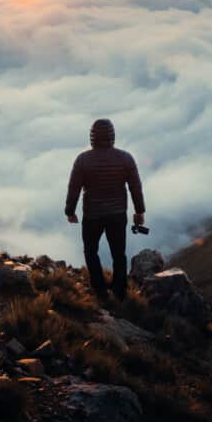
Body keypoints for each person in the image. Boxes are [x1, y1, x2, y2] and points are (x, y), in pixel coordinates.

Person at [65, 118, 145, 302]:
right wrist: (139, 211)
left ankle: (100, 290)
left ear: (92, 136)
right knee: (119, 254)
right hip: (118, 214)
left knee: (90, 251)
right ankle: (120, 291)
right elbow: (135, 188)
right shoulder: (126, 158)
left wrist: (70, 211)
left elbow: (74, 188)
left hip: (92, 215)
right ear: (112, 136)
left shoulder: (83, 160)